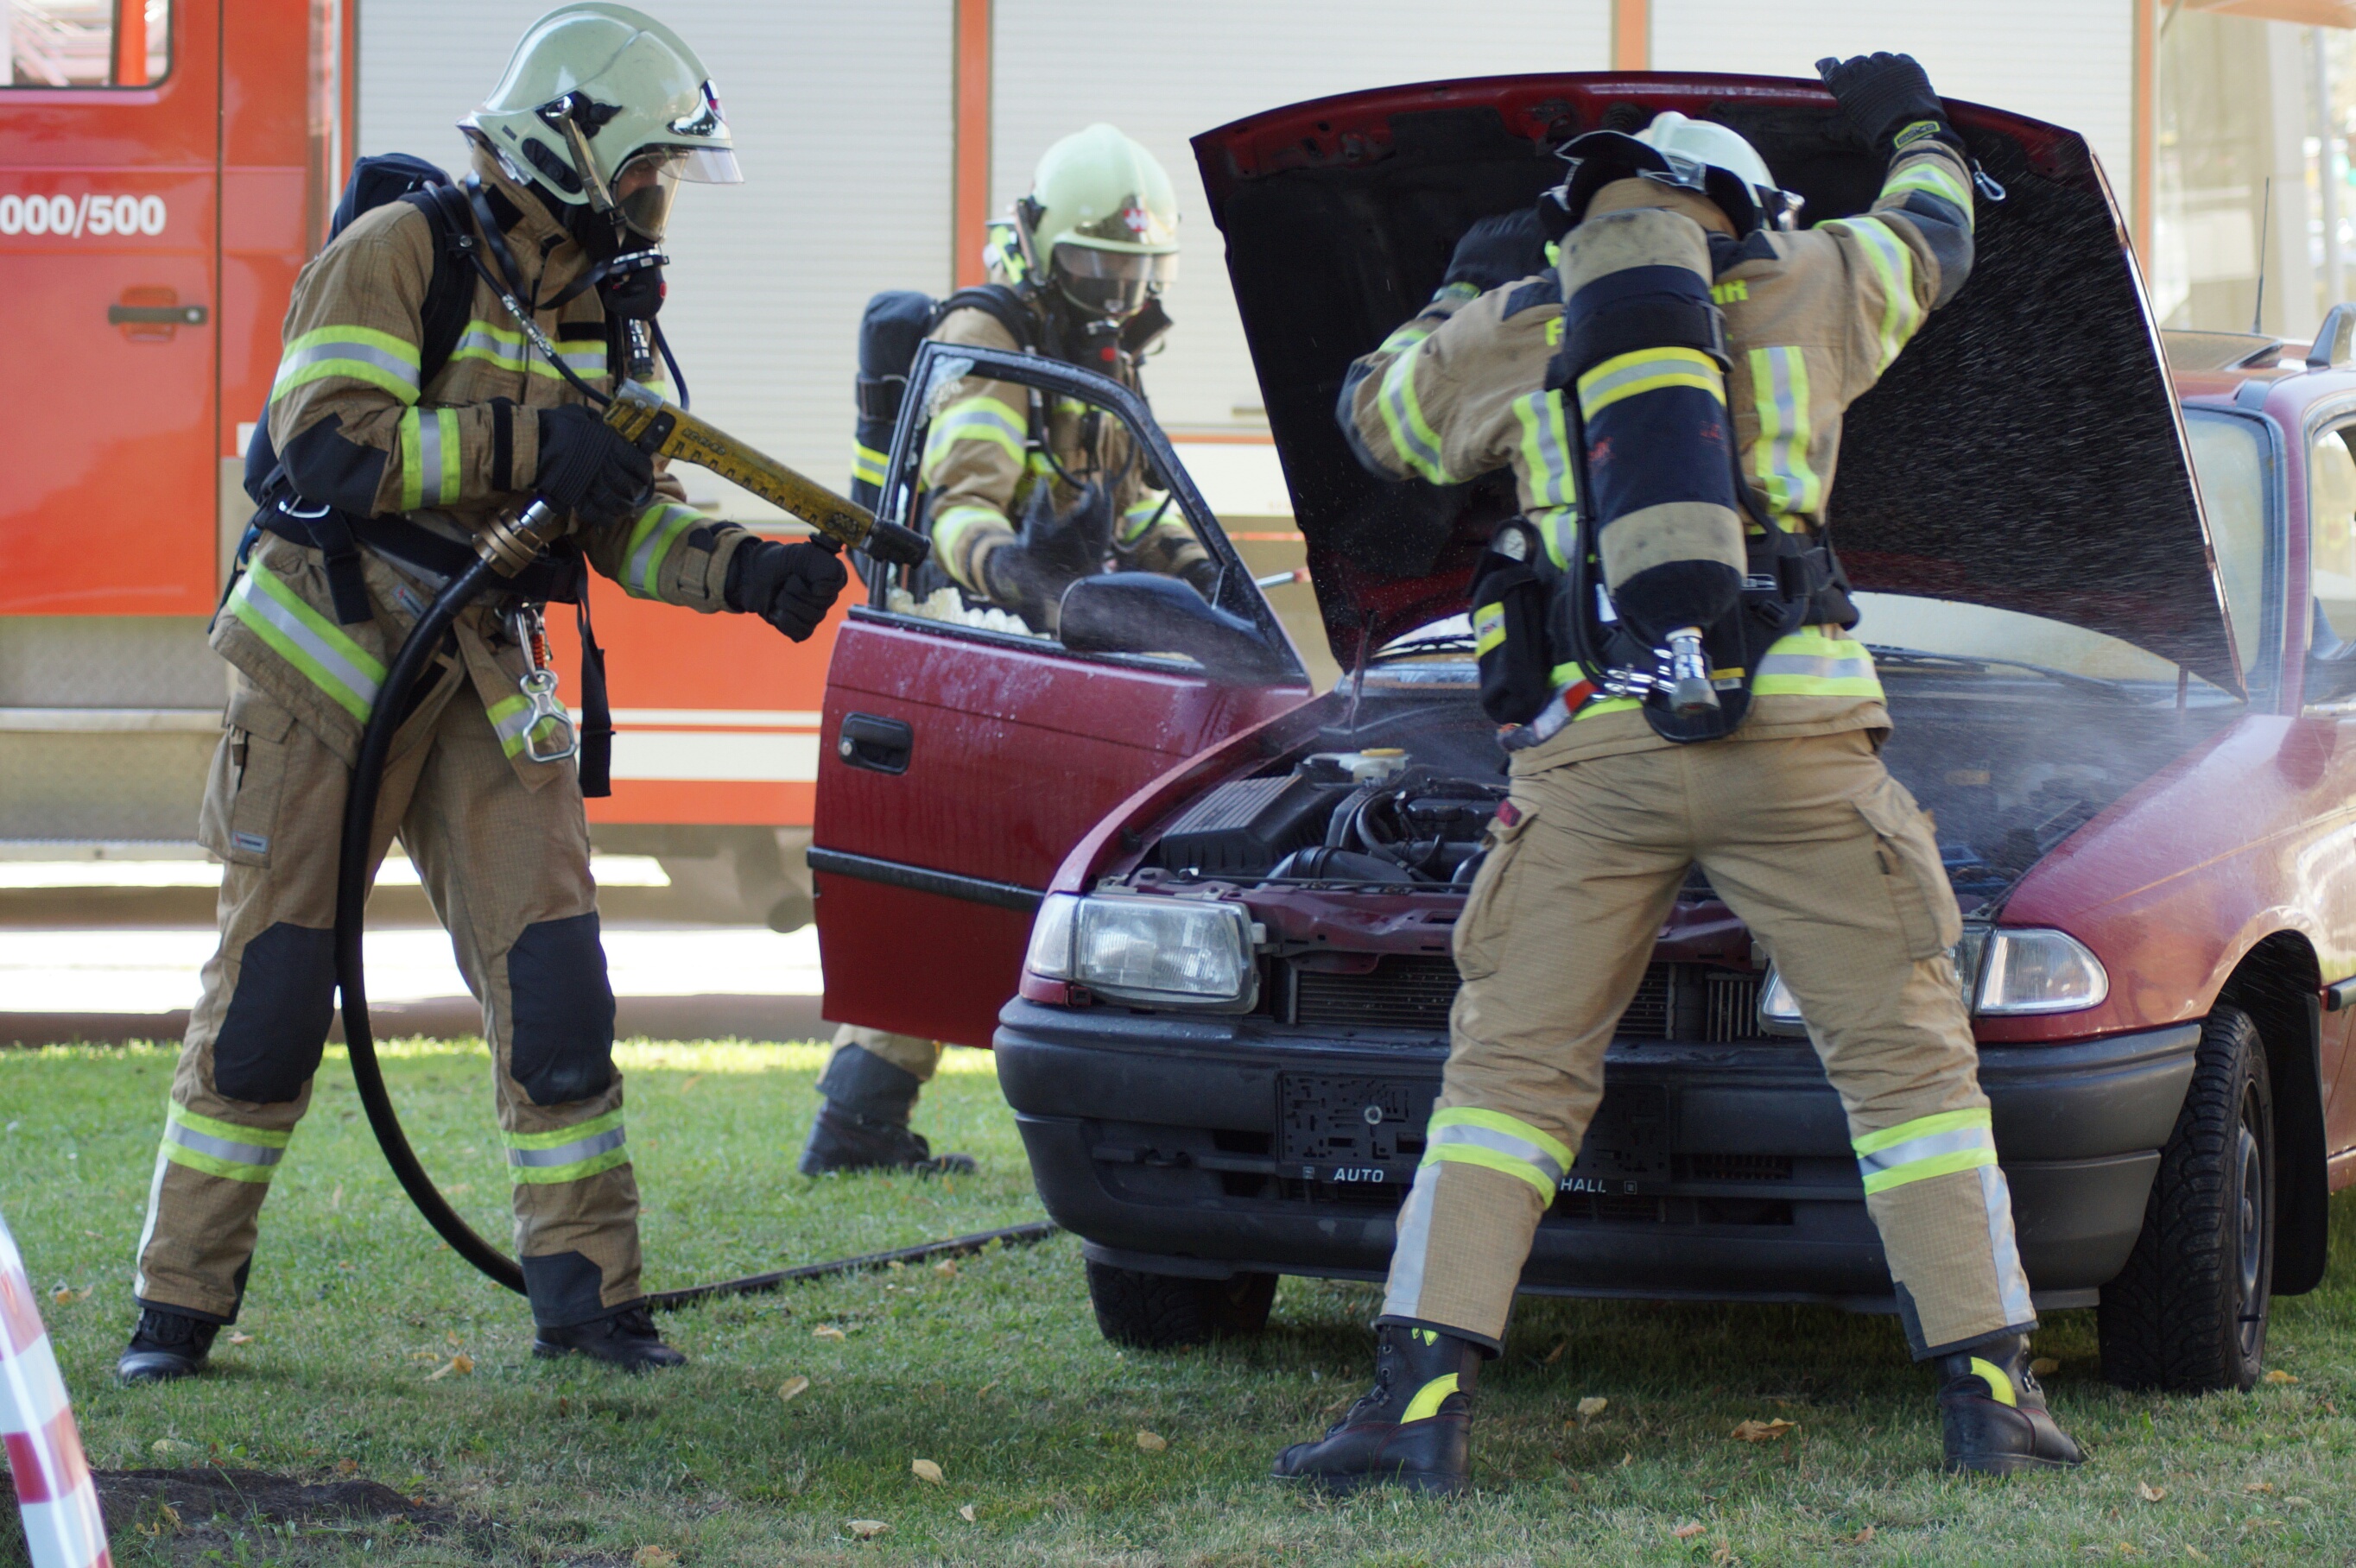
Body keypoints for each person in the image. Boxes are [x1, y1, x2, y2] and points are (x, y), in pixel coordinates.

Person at [1272, 55, 2084, 1490]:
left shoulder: (1522, 323)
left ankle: (1410, 1409)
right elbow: (1935, 235)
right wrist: (1907, 127)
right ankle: (1986, 1392)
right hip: (1797, 740)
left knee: (1508, 1076)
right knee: (1905, 1068)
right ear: (1740, 210)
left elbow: (1370, 417)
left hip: (1594, 753)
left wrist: (1461, 293)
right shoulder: (1815, 279)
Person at [119, 3, 848, 1381]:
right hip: (327, 662)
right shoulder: (398, 252)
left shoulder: (597, 308)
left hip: (479, 669)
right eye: (649, 170)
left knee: (559, 984)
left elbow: (617, 515)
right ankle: (179, 1306)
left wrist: (746, 571)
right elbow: (327, 453)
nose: (657, 201)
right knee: (274, 997)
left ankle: (590, 1299)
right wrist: (536, 439)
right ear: (571, 142)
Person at [798, 123, 1200, 1179]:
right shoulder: (994, 339)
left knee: (984, 880)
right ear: (1035, 247)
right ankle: (868, 1124)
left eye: (1131, 272)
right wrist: (1019, 574)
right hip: (971, 643)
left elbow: (1139, 499)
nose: (1114, 294)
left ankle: (858, 1122)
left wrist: (1204, 574)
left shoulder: (1093, 355)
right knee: (1032, 875)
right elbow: (956, 508)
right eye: (1092, 268)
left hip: (1044, 648)